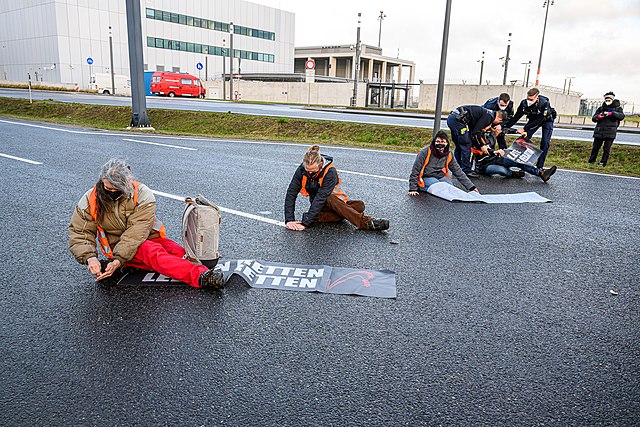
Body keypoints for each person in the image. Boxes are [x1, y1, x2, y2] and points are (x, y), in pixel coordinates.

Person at [68, 159, 224, 289]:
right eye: (107, 187)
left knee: (174, 250)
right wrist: (91, 258)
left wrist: (118, 262)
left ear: (128, 183)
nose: (110, 192)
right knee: (152, 252)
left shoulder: (142, 194)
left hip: (142, 238)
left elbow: (136, 233)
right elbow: (80, 232)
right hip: (119, 249)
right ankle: (201, 277)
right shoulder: (90, 199)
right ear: (101, 180)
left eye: (116, 189)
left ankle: (203, 268)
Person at [285, 145, 389, 231]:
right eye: (308, 170)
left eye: (313, 171)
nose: (310, 173)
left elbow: (321, 196)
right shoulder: (302, 170)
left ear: (320, 164)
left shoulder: (330, 172)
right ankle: (365, 223)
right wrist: (290, 220)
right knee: (332, 199)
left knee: (359, 205)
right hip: (321, 204)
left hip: (331, 201)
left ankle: (318, 217)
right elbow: (291, 193)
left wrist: (307, 220)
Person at [408, 130, 478, 196]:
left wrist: (471, 187)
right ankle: (422, 187)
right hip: (426, 176)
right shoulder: (424, 152)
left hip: (440, 176)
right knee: (439, 187)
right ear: (434, 142)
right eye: (438, 141)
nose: (440, 144)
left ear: (447, 143)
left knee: (451, 188)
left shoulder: (449, 154)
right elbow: (415, 170)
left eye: (443, 142)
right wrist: (412, 189)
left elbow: (458, 171)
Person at [446, 105, 508, 178]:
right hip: (458, 121)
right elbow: (476, 133)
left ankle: (457, 168)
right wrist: (482, 145)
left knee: (459, 145)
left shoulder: (487, 113)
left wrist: (480, 143)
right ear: (499, 119)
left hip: (453, 118)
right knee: (466, 144)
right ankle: (466, 170)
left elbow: (474, 131)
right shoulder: (489, 117)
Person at [503, 88, 556, 169]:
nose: (529, 101)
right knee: (523, 139)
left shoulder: (544, 103)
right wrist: (506, 127)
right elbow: (516, 117)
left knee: (545, 142)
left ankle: (539, 167)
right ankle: (521, 163)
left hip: (546, 120)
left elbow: (540, 120)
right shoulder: (524, 103)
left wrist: (525, 128)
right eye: (528, 98)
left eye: (531, 99)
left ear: (537, 97)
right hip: (533, 119)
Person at [589, 91, 625, 167]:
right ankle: (591, 161)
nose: (607, 101)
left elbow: (621, 116)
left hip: (610, 132)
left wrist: (612, 114)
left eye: (609, 100)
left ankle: (603, 162)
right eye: (606, 99)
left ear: (612, 99)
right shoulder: (601, 108)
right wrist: (598, 117)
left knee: (606, 148)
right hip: (599, 131)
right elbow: (594, 118)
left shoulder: (618, 108)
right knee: (595, 147)